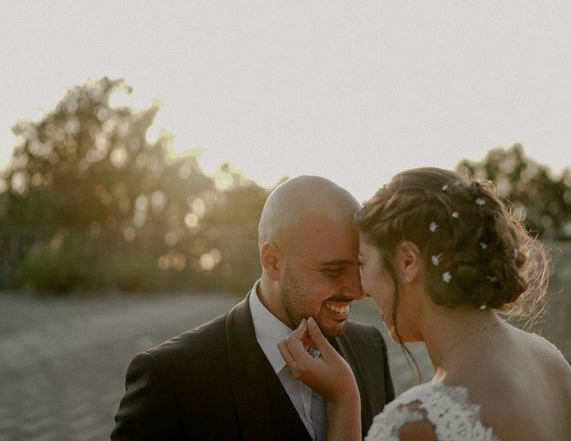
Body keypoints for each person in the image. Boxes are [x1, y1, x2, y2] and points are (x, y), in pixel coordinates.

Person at [279, 167, 571, 440]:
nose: (362, 289)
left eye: (362, 262)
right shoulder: (552, 362)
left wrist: (344, 398)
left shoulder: (419, 424)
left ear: (408, 261)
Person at [111, 175, 395, 440]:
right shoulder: (171, 378)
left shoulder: (370, 348)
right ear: (272, 261)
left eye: (359, 267)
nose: (359, 292)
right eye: (333, 270)